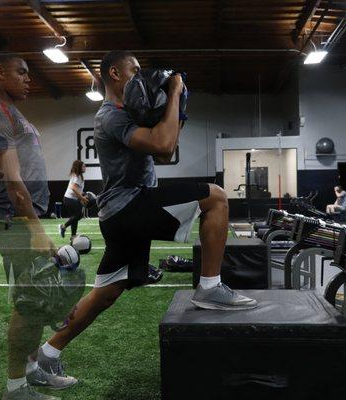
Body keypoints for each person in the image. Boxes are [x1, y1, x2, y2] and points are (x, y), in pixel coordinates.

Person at [33, 50, 258, 384]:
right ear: (114, 73)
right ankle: (209, 287)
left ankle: (45, 357)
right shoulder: (111, 115)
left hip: (121, 213)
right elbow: (165, 146)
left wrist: (175, 106)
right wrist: (177, 91)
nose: (140, 75)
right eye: (134, 69)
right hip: (129, 206)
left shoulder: (131, 114)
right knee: (217, 198)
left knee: (107, 293)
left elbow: (165, 146)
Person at [0, 52, 78, 400]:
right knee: (28, 303)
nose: (27, 78)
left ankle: (33, 370)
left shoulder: (13, 114)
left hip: (25, 216)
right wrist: (36, 228)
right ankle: (15, 388)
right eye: (20, 72)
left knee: (38, 301)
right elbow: (10, 178)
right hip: (14, 221)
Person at [59, 160, 88, 239]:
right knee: (78, 215)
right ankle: (63, 226)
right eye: (83, 166)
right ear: (79, 167)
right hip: (69, 199)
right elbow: (73, 188)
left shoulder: (78, 176)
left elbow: (77, 189)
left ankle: (73, 235)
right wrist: (82, 198)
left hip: (70, 199)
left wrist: (83, 194)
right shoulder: (77, 177)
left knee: (75, 216)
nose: (85, 168)